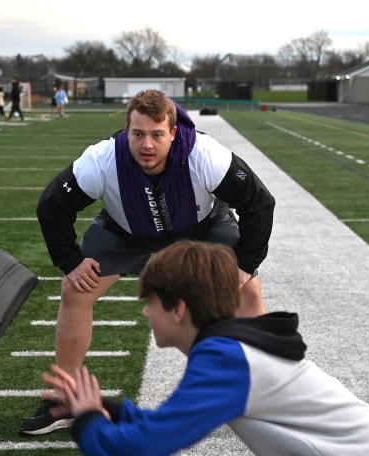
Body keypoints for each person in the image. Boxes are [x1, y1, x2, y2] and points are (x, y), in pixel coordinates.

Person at [18, 88, 275, 435]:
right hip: (126, 232)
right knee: (75, 290)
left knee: (248, 289)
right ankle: (63, 400)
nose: (147, 145)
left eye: (156, 135)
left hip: (201, 230)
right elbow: (52, 205)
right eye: (138, 134)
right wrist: (71, 261)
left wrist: (244, 266)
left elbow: (259, 202)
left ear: (173, 132)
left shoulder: (205, 155)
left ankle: (262, 392)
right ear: (126, 132)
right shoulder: (103, 159)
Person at [41, 240, 369, 456]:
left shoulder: (225, 359)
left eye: (150, 302)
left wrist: (87, 420)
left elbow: (142, 448)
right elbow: (165, 425)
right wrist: (106, 408)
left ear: (178, 309)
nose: (145, 312)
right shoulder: (231, 349)